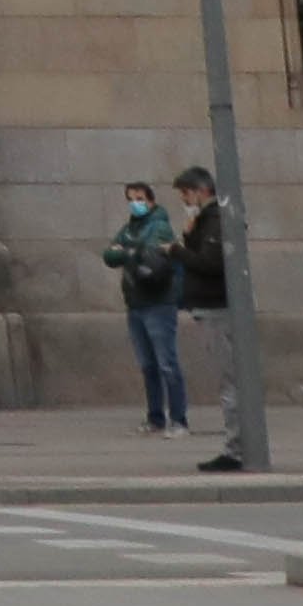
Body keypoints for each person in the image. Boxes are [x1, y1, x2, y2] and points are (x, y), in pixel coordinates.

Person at [102, 178, 191, 438]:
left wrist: (126, 251)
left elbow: (149, 255)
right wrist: (130, 251)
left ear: (151, 200)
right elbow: (109, 255)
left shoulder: (159, 226)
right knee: (148, 365)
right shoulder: (129, 228)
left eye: (140, 198)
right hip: (137, 303)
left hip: (158, 303)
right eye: (130, 199)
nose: (135, 203)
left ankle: (178, 419)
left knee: (166, 363)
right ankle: (155, 419)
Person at [173, 169, 241, 465]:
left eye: (186, 195)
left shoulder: (216, 218)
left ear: (200, 191)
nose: (185, 201)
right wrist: (189, 233)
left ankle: (235, 449)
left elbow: (210, 263)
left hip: (216, 308)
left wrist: (176, 250)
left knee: (230, 382)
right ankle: (237, 446)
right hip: (211, 307)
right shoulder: (207, 220)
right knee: (229, 381)